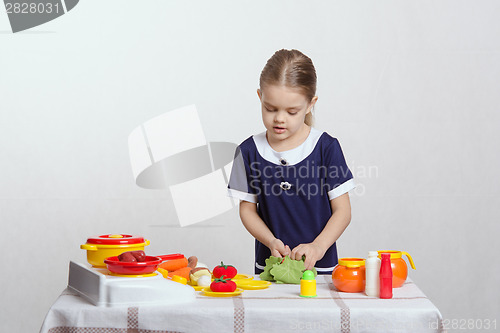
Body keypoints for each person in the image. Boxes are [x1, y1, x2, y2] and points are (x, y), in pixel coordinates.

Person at [227, 49, 355, 275]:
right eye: (270, 108)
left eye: (292, 111)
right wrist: (270, 241)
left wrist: (318, 246)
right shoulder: (247, 151)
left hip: (320, 269)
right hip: (271, 269)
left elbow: (343, 211)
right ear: (260, 97)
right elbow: (247, 210)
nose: (279, 118)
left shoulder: (326, 147)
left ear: (310, 104)